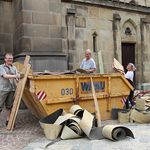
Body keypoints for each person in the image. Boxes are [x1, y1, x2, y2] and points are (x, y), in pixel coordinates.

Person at [0, 53, 20, 126]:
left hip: (12, 89)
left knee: (9, 106)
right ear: (5, 59)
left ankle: (8, 121)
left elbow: (17, 77)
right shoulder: (1, 67)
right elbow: (5, 76)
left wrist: (19, 78)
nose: (10, 60)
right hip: (3, 89)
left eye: (11, 58)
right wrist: (16, 76)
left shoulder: (14, 68)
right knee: (0, 106)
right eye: (8, 58)